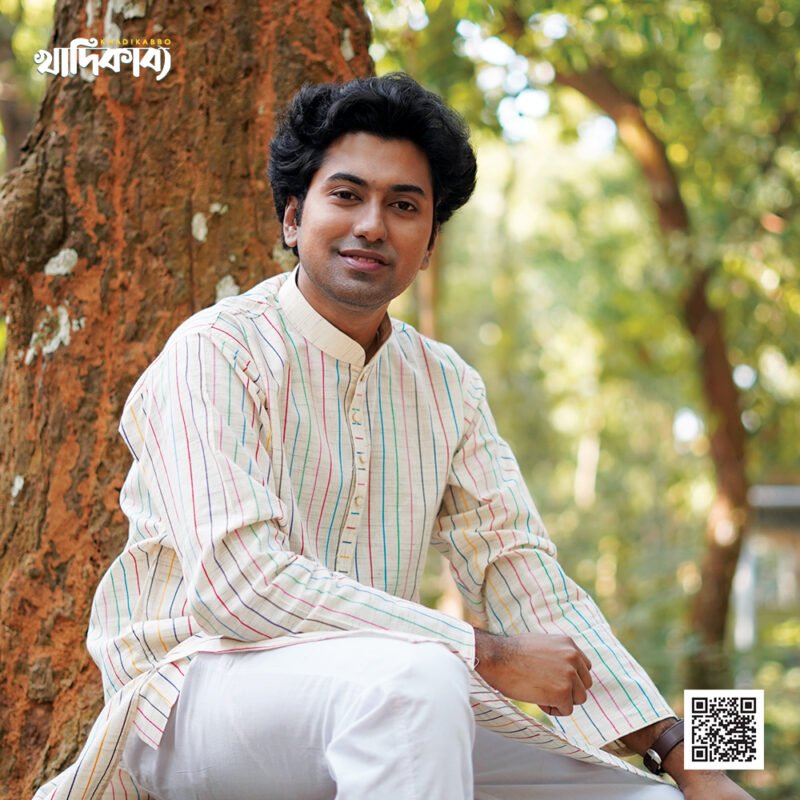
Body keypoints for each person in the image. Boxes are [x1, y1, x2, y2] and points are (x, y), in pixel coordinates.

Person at [34, 73, 753, 800]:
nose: (373, 225)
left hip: (391, 695)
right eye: (347, 196)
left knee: (647, 797)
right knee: (420, 680)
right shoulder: (216, 351)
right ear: (293, 219)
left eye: (404, 206)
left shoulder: (447, 385)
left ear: (429, 244)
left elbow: (523, 573)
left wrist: (685, 756)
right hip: (193, 698)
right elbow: (240, 586)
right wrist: (485, 653)